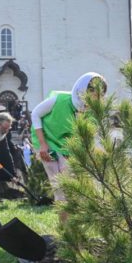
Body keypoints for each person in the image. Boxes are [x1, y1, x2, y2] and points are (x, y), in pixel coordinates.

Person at [30, 72, 106, 205]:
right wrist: (43, 144)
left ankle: (74, 222)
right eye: (93, 90)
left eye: (101, 93)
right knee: (59, 187)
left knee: (72, 184)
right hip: (48, 141)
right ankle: (64, 225)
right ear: (83, 89)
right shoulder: (59, 99)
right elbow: (36, 114)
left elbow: (88, 138)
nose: (96, 95)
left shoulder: (93, 112)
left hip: (68, 147)